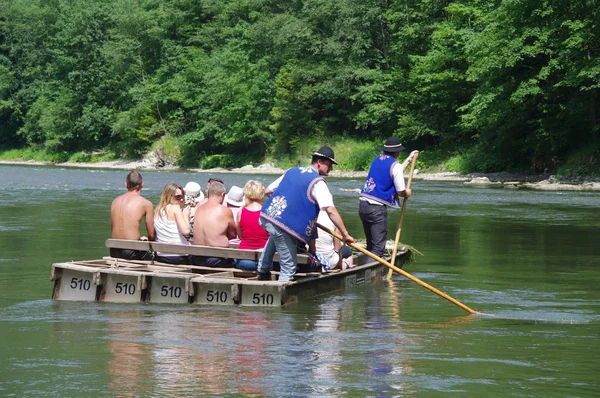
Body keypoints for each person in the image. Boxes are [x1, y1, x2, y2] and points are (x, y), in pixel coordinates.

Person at [257, 146, 355, 282]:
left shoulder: (292, 171)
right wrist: (345, 234)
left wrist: (287, 206)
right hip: (281, 224)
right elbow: (330, 210)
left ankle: (262, 272)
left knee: (276, 233)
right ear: (319, 162)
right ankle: (280, 293)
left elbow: (268, 191)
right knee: (289, 267)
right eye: (329, 164)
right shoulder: (317, 182)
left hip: (267, 217)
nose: (331, 168)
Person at [359, 137, 419, 256]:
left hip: (363, 205)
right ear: (397, 152)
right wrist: (407, 193)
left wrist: (409, 159)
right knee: (378, 248)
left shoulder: (377, 160)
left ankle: (368, 265)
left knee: (371, 244)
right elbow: (401, 191)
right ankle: (374, 272)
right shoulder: (394, 165)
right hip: (376, 209)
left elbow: (395, 171)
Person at [110, 170, 155, 260]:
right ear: (142, 185)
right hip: (132, 251)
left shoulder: (115, 201)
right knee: (155, 258)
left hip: (114, 250)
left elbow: (113, 228)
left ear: (126, 185)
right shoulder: (146, 203)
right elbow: (152, 235)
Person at [191, 180, 236, 267]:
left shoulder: (198, 209)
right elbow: (232, 235)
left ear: (208, 193)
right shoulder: (224, 211)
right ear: (222, 194)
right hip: (218, 258)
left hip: (197, 258)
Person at [233, 180, 269, 271]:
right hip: (265, 259)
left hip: (245, 260)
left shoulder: (241, 212)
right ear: (261, 194)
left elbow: (240, 236)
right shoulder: (267, 212)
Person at [153, 183, 191, 264]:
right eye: (178, 197)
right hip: (179, 255)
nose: (181, 200)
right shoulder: (175, 208)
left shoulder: (157, 210)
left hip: (162, 255)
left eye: (182, 196)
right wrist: (186, 216)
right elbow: (186, 231)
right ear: (169, 196)